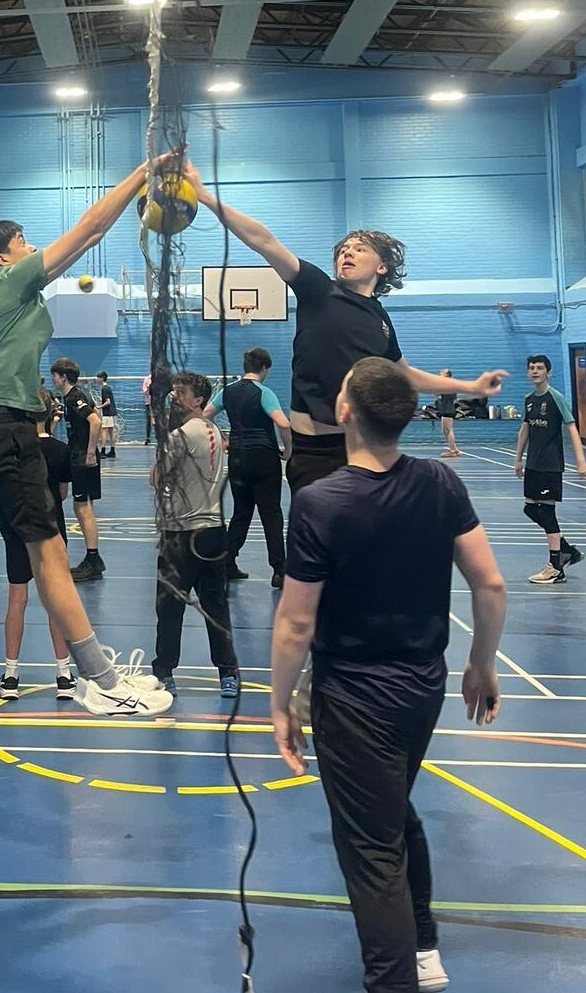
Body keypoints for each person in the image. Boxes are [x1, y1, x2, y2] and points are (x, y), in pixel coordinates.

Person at [271, 356, 506, 993]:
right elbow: (489, 583)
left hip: (352, 699)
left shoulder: (320, 502)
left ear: (344, 412)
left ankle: (394, 979)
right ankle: (423, 946)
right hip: (423, 688)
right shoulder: (440, 483)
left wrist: (280, 704)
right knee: (394, 815)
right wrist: (480, 664)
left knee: (371, 854)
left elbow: (295, 623)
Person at [0, 156, 174, 717]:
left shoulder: (14, 291)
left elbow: (81, 246)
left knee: (47, 550)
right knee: (50, 550)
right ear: (3, 257)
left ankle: (96, 672)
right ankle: (100, 680)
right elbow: (91, 229)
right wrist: (143, 172)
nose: (33, 246)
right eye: (24, 239)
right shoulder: (7, 279)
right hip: (0, 428)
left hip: (4, 429)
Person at [180, 160, 507, 496]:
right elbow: (263, 240)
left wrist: (471, 386)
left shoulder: (380, 319)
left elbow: (404, 374)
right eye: (343, 251)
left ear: (382, 266)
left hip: (363, 450)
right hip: (314, 453)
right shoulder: (318, 290)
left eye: (359, 249)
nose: (347, 254)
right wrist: (205, 196)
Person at [150, 372, 240, 698]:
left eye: (182, 392)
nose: (175, 396)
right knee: (216, 606)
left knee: (170, 608)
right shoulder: (215, 430)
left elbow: (155, 478)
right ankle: (228, 674)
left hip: (181, 535)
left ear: (199, 400)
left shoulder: (179, 436)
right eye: (174, 390)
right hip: (215, 533)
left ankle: (164, 672)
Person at [0, 391, 77, 700]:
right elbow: (62, 494)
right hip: (53, 532)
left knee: (17, 599)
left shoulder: (13, 453)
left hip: (19, 531)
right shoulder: (59, 450)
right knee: (56, 601)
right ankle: (64, 675)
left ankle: (11, 676)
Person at [206, 347, 292, 588]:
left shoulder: (227, 391)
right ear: (265, 368)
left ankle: (227, 563)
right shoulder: (264, 392)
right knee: (271, 513)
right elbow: (283, 423)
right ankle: (279, 570)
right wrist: (288, 450)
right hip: (264, 457)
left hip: (237, 458)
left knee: (242, 513)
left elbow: (205, 415)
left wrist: (224, 439)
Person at [514, 354, 586, 584]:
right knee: (530, 509)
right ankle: (566, 550)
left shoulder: (555, 397)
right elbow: (525, 429)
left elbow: (571, 427)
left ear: (548, 372)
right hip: (533, 464)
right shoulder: (529, 399)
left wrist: (580, 460)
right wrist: (518, 459)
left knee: (547, 512)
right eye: (531, 368)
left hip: (550, 464)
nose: (535, 371)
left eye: (539, 368)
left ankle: (556, 567)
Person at [51, 357, 106, 583]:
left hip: (83, 457)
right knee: (84, 507)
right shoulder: (72, 397)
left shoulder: (75, 397)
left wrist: (91, 452)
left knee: (82, 507)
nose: (53, 379)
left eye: (54, 375)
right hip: (78, 455)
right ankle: (92, 557)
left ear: (63, 376)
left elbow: (95, 421)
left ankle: (93, 559)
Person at [437, 370, 459, 458]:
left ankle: (452, 451)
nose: (440, 374)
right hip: (445, 408)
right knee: (444, 430)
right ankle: (455, 448)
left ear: (447, 375)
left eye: (442, 373)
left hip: (448, 409)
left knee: (448, 430)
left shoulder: (448, 384)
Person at [96, 371, 118, 458]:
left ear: (102, 378)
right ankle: (112, 451)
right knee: (112, 432)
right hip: (112, 412)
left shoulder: (104, 389)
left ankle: (103, 451)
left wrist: (99, 406)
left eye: (98, 378)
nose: (97, 379)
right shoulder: (108, 388)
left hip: (107, 413)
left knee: (103, 431)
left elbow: (108, 402)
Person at [142, 372, 153, 445]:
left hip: (158, 403)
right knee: (149, 420)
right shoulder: (147, 379)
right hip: (148, 403)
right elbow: (144, 391)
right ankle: (148, 438)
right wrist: (149, 387)